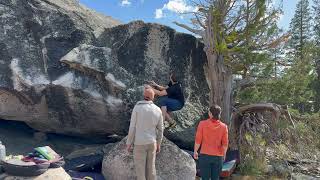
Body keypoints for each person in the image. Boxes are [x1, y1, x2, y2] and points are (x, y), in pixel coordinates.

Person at [126, 86, 164, 180]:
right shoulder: (158, 110)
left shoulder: (137, 107)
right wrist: (159, 143)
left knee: (140, 172)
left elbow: (132, 127)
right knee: (151, 169)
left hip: (139, 143)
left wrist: (128, 143)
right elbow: (161, 129)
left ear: (144, 96)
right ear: (153, 97)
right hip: (152, 143)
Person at [193, 105, 228, 180]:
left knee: (205, 178)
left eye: (209, 112)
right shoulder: (224, 126)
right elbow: (225, 144)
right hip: (218, 157)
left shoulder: (202, 124)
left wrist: (195, 151)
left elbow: (198, 140)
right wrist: (224, 155)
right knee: (215, 178)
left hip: (205, 156)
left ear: (211, 114)